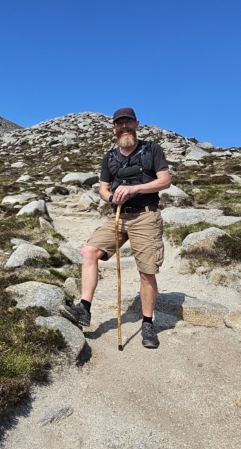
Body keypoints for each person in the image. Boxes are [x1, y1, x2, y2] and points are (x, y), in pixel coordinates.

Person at [59, 107, 171, 348]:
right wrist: (111, 198)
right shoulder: (109, 157)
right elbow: (102, 188)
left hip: (145, 216)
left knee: (146, 271)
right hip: (118, 216)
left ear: (137, 124)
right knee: (89, 251)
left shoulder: (152, 149)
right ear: (114, 129)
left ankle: (148, 323)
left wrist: (134, 189)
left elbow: (165, 181)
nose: (124, 127)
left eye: (128, 122)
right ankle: (84, 309)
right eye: (119, 124)